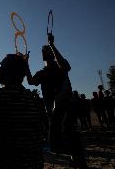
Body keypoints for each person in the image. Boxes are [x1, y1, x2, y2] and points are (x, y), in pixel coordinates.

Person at [25, 33, 87, 168]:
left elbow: (65, 66)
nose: (45, 52)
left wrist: (52, 45)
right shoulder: (42, 73)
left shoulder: (61, 68)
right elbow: (30, 81)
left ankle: (78, 160)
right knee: (57, 141)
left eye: (47, 51)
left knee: (67, 132)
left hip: (66, 106)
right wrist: (26, 63)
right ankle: (76, 158)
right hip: (52, 110)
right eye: (45, 51)